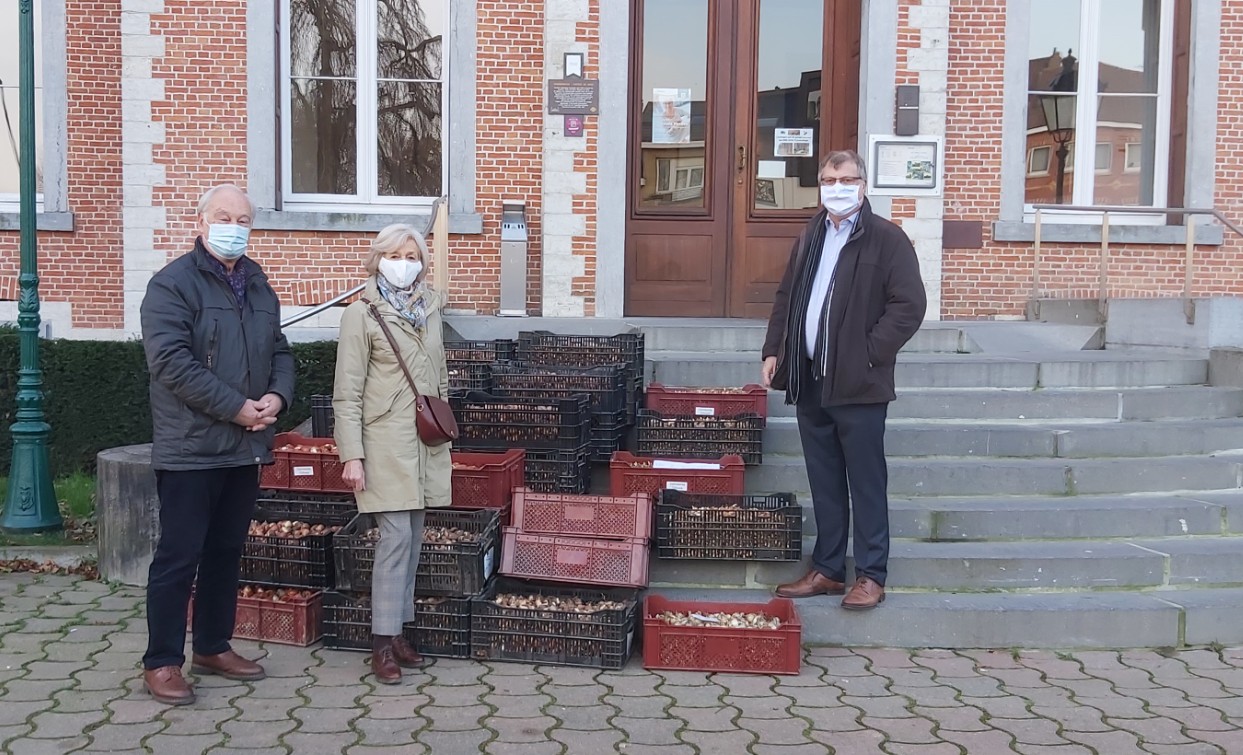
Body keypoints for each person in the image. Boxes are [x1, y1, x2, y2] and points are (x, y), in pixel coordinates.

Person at [139, 183, 295, 705]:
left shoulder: (258, 284)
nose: (235, 227)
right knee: (179, 556)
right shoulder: (172, 285)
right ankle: (162, 660)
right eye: (224, 216)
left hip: (244, 446)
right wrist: (235, 407)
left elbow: (280, 350)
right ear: (200, 221)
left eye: (244, 219)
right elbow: (170, 364)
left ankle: (211, 644)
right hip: (190, 449)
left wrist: (277, 396)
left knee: (226, 552)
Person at [761, 150, 926, 611]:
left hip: (860, 384)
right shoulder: (812, 234)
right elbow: (787, 295)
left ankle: (872, 574)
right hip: (811, 377)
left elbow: (908, 306)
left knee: (866, 479)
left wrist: (868, 353)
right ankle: (829, 569)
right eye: (829, 178)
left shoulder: (887, 239)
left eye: (847, 178)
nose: (837, 185)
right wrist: (775, 349)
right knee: (825, 477)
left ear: (863, 184)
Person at [333, 223, 452, 684]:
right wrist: (352, 455)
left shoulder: (431, 308)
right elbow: (347, 392)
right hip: (383, 442)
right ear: (378, 258)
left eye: (413, 255)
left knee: (415, 536)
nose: (405, 263)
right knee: (396, 537)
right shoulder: (360, 315)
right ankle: (381, 641)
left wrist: (444, 426)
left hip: (424, 441)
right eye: (396, 254)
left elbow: (438, 371)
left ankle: (400, 632)